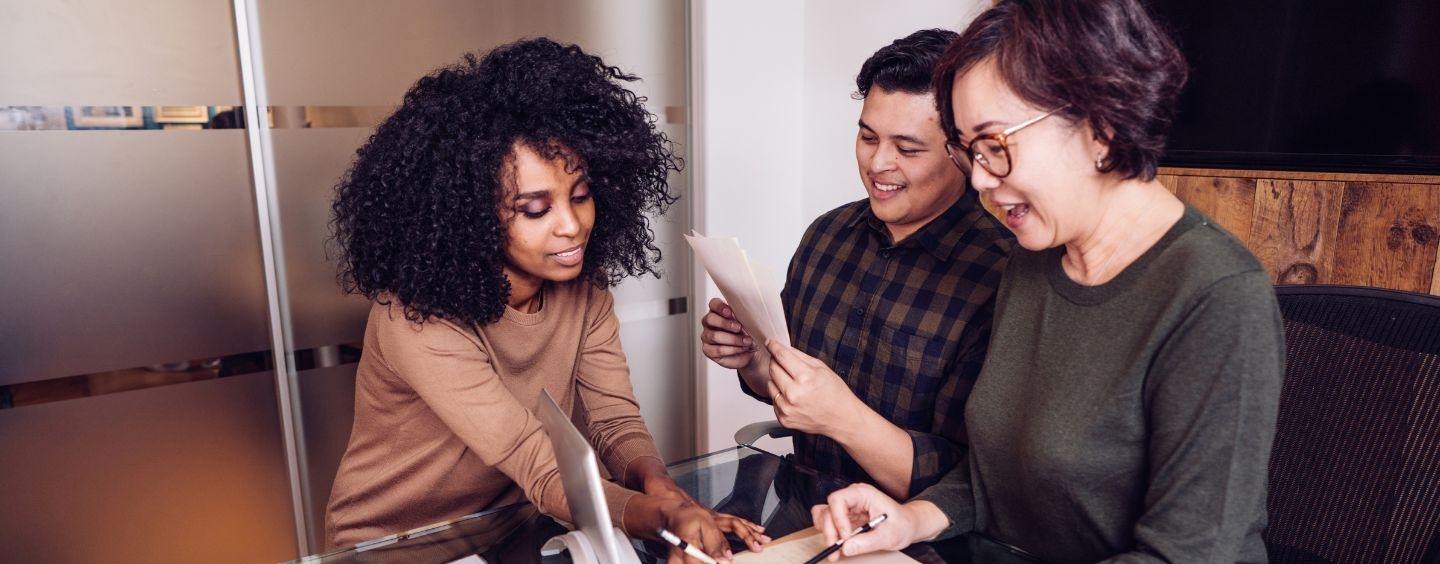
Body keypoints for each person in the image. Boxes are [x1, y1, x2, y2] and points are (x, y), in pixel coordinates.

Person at [809, 1, 1285, 562]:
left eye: (996, 146)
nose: (981, 180)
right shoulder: (1035, 261)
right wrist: (911, 519)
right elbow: (997, 482)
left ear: (1102, 127)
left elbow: (1190, 555)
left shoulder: (1216, 297)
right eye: (969, 150)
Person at [324, 38, 766, 560]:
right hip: (395, 545)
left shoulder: (584, 290)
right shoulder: (417, 318)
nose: (572, 225)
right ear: (471, 216)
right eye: (536, 209)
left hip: (513, 530)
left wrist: (669, 495)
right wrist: (666, 519)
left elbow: (613, 422)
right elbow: (534, 460)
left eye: (580, 195)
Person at [701, 28, 1014, 503]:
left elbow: (972, 482)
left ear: (964, 152)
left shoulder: (1000, 277)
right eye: (868, 137)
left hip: (918, 539)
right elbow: (782, 388)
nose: (878, 163)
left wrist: (843, 418)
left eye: (907, 149)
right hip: (802, 506)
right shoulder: (828, 236)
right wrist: (752, 360)